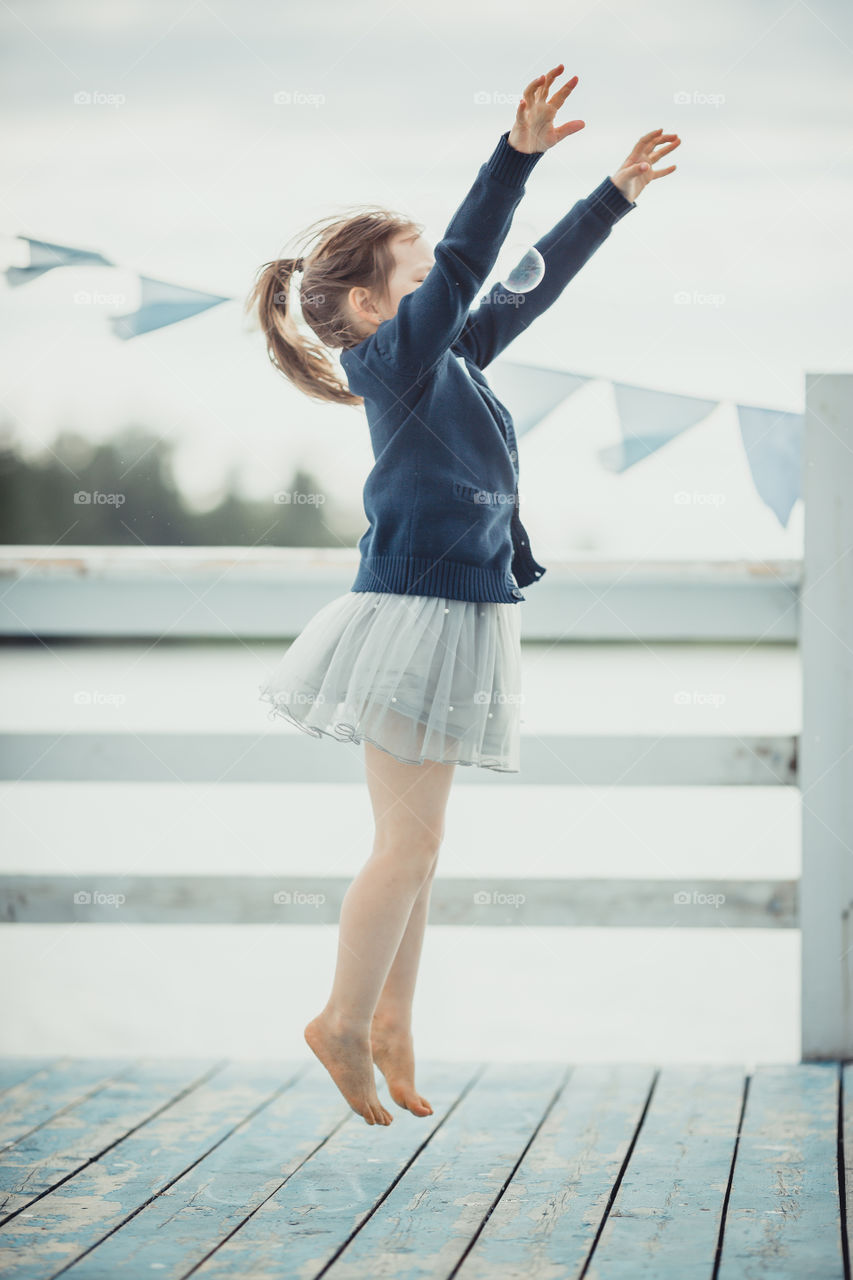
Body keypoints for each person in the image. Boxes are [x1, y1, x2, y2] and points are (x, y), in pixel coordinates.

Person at [245, 64, 680, 1126]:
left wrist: (611, 199)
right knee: (408, 845)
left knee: (423, 847)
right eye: (418, 272)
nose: (441, 282)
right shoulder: (391, 362)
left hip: (459, 613)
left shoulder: (452, 358)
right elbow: (476, 253)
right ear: (368, 305)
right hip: (409, 616)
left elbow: (524, 279)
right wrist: (515, 156)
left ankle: (390, 1017)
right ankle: (341, 1020)